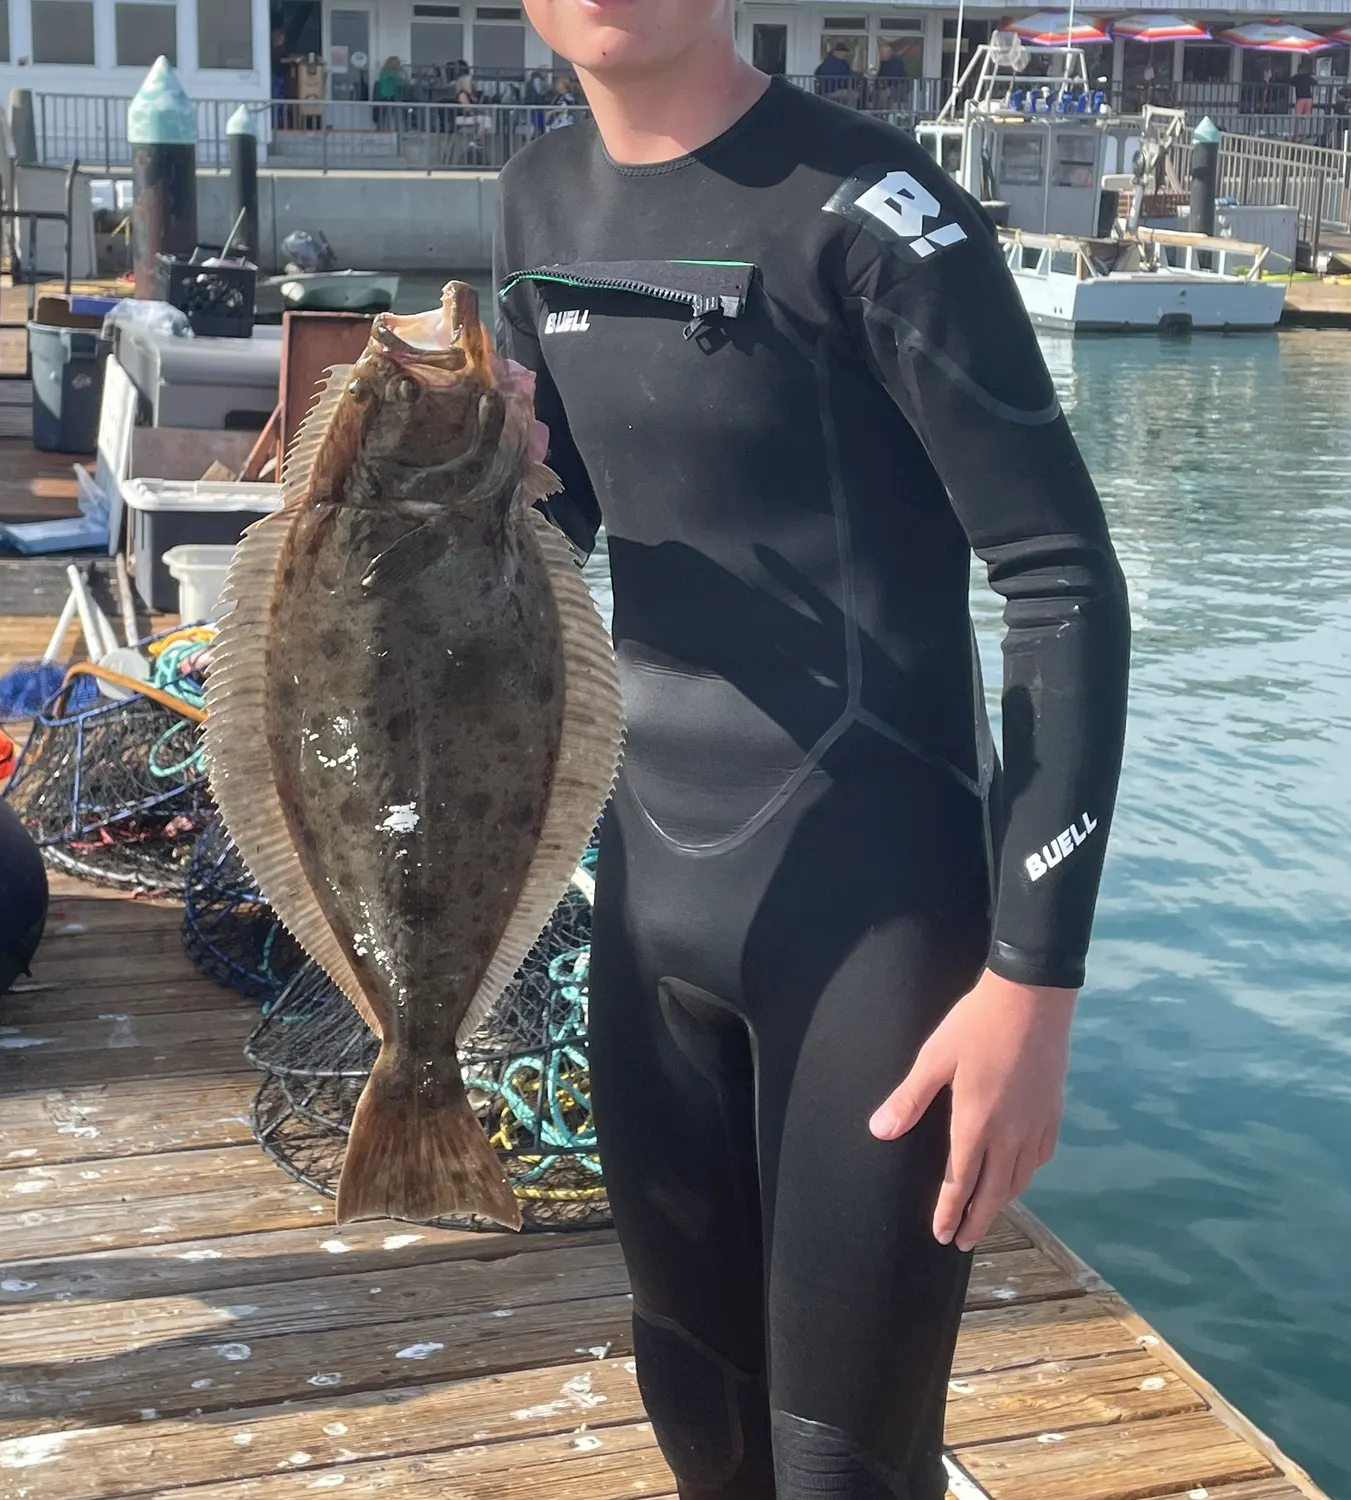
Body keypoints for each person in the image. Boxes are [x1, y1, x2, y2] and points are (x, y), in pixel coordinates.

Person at [496, 3, 1131, 1498]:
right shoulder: (533, 202)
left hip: (876, 920)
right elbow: (570, 525)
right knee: (699, 1418)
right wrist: (485, 483)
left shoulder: (878, 213)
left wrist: (1034, 985)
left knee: (841, 1461)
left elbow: (1059, 580)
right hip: (652, 900)